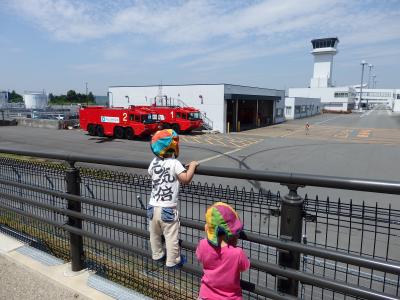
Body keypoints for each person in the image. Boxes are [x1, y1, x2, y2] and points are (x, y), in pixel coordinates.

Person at [147, 129, 199, 268]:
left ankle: (157, 255)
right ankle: (173, 261)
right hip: (167, 208)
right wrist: (192, 166)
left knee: (154, 234)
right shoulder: (175, 163)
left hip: (153, 206)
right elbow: (185, 179)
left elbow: (151, 173)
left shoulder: (154, 162)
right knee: (171, 236)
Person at [196, 202, 250, 300]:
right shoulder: (237, 253)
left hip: (205, 296)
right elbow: (244, 267)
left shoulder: (203, 245)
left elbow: (200, 257)